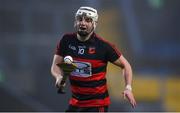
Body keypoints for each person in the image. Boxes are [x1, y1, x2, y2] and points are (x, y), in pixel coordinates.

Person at [51, 6, 136, 112]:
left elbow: (126, 65)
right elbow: (55, 65)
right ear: (75, 22)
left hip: (97, 104)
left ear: (94, 24)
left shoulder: (104, 46)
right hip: (76, 102)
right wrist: (58, 77)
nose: (83, 23)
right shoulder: (66, 40)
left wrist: (128, 88)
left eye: (88, 20)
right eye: (80, 19)